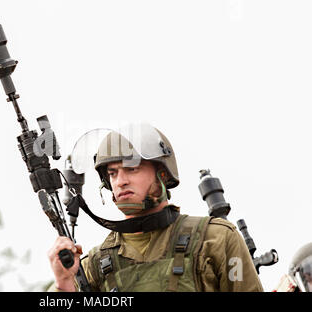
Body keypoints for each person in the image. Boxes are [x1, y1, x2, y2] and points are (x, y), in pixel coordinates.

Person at [47, 124, 263, 292]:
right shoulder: (94, 265)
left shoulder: (216, 238)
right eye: (112, 173)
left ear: (162, 173)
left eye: (131, 169)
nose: (120, 181)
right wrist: (64, 283)